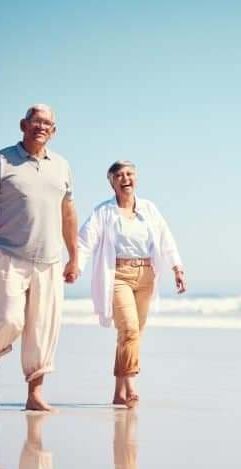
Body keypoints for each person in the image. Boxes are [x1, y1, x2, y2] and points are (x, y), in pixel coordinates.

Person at [0, 104, 78, 412]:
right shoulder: (1, 160)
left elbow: (68, 213)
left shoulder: (62, 165)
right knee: (10, 319)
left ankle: (34, 394)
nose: (41, 126)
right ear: (23, 125)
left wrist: (74, 256)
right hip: (8, 254)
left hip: (49, 259)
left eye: (48, 123)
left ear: (54, 131)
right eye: (36, 121)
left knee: (42, 329)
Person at [78, 160, 186, 407]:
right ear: (112, 182)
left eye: (130, 174)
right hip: (117, 275)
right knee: (129, 329)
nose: (125, 178)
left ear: (136, 179)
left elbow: (166, 238)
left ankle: (118, 393)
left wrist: (177, 268)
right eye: (119, 175)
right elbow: (85, 240)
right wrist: (76, 265)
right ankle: (130, 386)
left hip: (147, 275)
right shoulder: (104, 211)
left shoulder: (149, 209)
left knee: (132, 335)